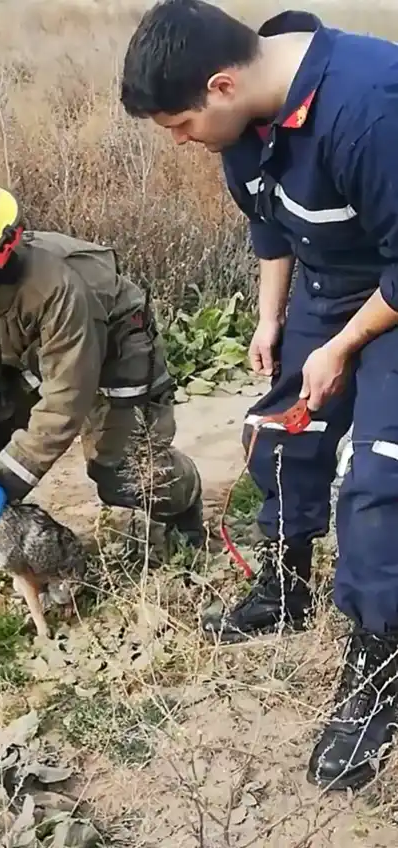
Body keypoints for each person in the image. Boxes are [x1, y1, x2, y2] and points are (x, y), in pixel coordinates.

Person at [120, 0, 398, 792]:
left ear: (219, 84)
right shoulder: (246, 122)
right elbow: (274, 228)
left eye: (177, 125)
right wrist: (272, 322)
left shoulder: (369, 107)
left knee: (378, 478)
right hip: (328, 285)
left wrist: (344, 348)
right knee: (277, 430)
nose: (178, 142)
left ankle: (375, 675)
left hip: (389, 296)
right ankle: (284, 589)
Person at [0, 172, 206, 609]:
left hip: (111, 348)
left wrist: (7, 483)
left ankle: (183, 503)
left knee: (122, 473)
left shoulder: (58, 289)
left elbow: (64, 399)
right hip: (23, 349)